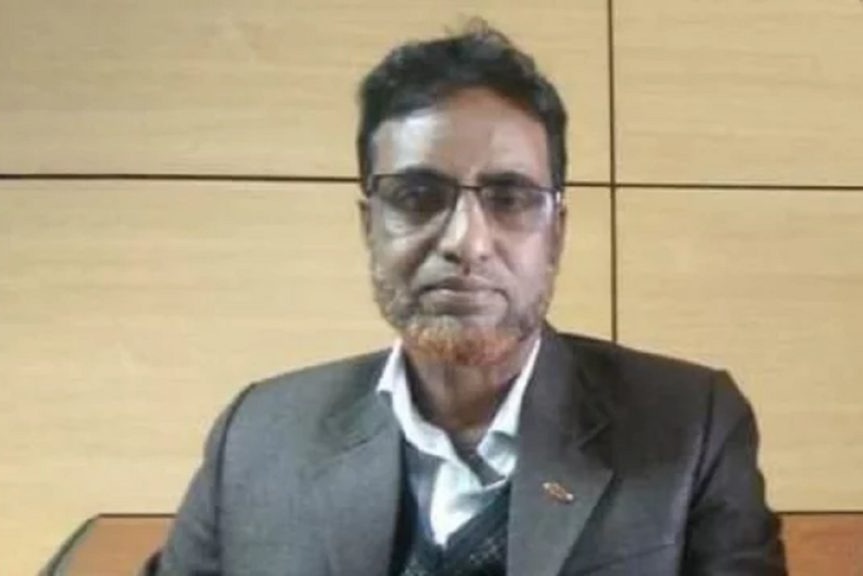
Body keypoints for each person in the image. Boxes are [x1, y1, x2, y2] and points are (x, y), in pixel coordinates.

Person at [145, 21, 785, 576]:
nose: (467, 242)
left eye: (509, 198)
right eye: (418, 196)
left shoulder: (689, 428)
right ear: (370, 226)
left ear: (556, 234)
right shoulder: (257, 437)